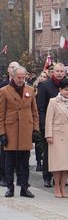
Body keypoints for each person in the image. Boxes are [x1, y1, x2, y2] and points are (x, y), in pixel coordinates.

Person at [0, 66, 39, 198]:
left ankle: (24, 187)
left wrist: (35, 129)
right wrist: (2, 133)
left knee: (24, 161)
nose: (21, 80)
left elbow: (35, 112)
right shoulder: (4, 91)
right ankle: (10, 187)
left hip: (25, 129)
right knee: (9, 162)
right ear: (13, 76)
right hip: (10, 129)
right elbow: (1, 114)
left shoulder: (30, 90)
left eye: (24, 77)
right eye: (19, 77)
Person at [45, 78, 68, 198]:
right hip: (57, 136)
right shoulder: (53, 101)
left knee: (67, 164)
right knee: (57, 164)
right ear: (60, 89)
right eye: (66, 90)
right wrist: (49, 135)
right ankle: (56, 187)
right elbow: (49, 119)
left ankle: (63, 187)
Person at [37, 63, 65, 187]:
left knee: (61, 153)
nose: (59, 73)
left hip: (63, 126)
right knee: (48, 153)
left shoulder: (67, 85)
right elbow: (41, 108)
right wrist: (43, 126)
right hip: (49, 124)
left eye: (61, 71)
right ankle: (47, 177)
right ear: (53, 72)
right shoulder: (44, 85)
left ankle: (58, 177)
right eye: (57, 71)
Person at [0, 61, 20, 187]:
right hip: (7, 123)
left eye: (16, 68)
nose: (14, 69)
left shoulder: (25, 86)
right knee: (5, 153)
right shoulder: (3, 86)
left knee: (20, 154)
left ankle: (20, 178)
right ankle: (4, 177)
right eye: (12, 67)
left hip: (20, 125)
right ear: (8, 69)